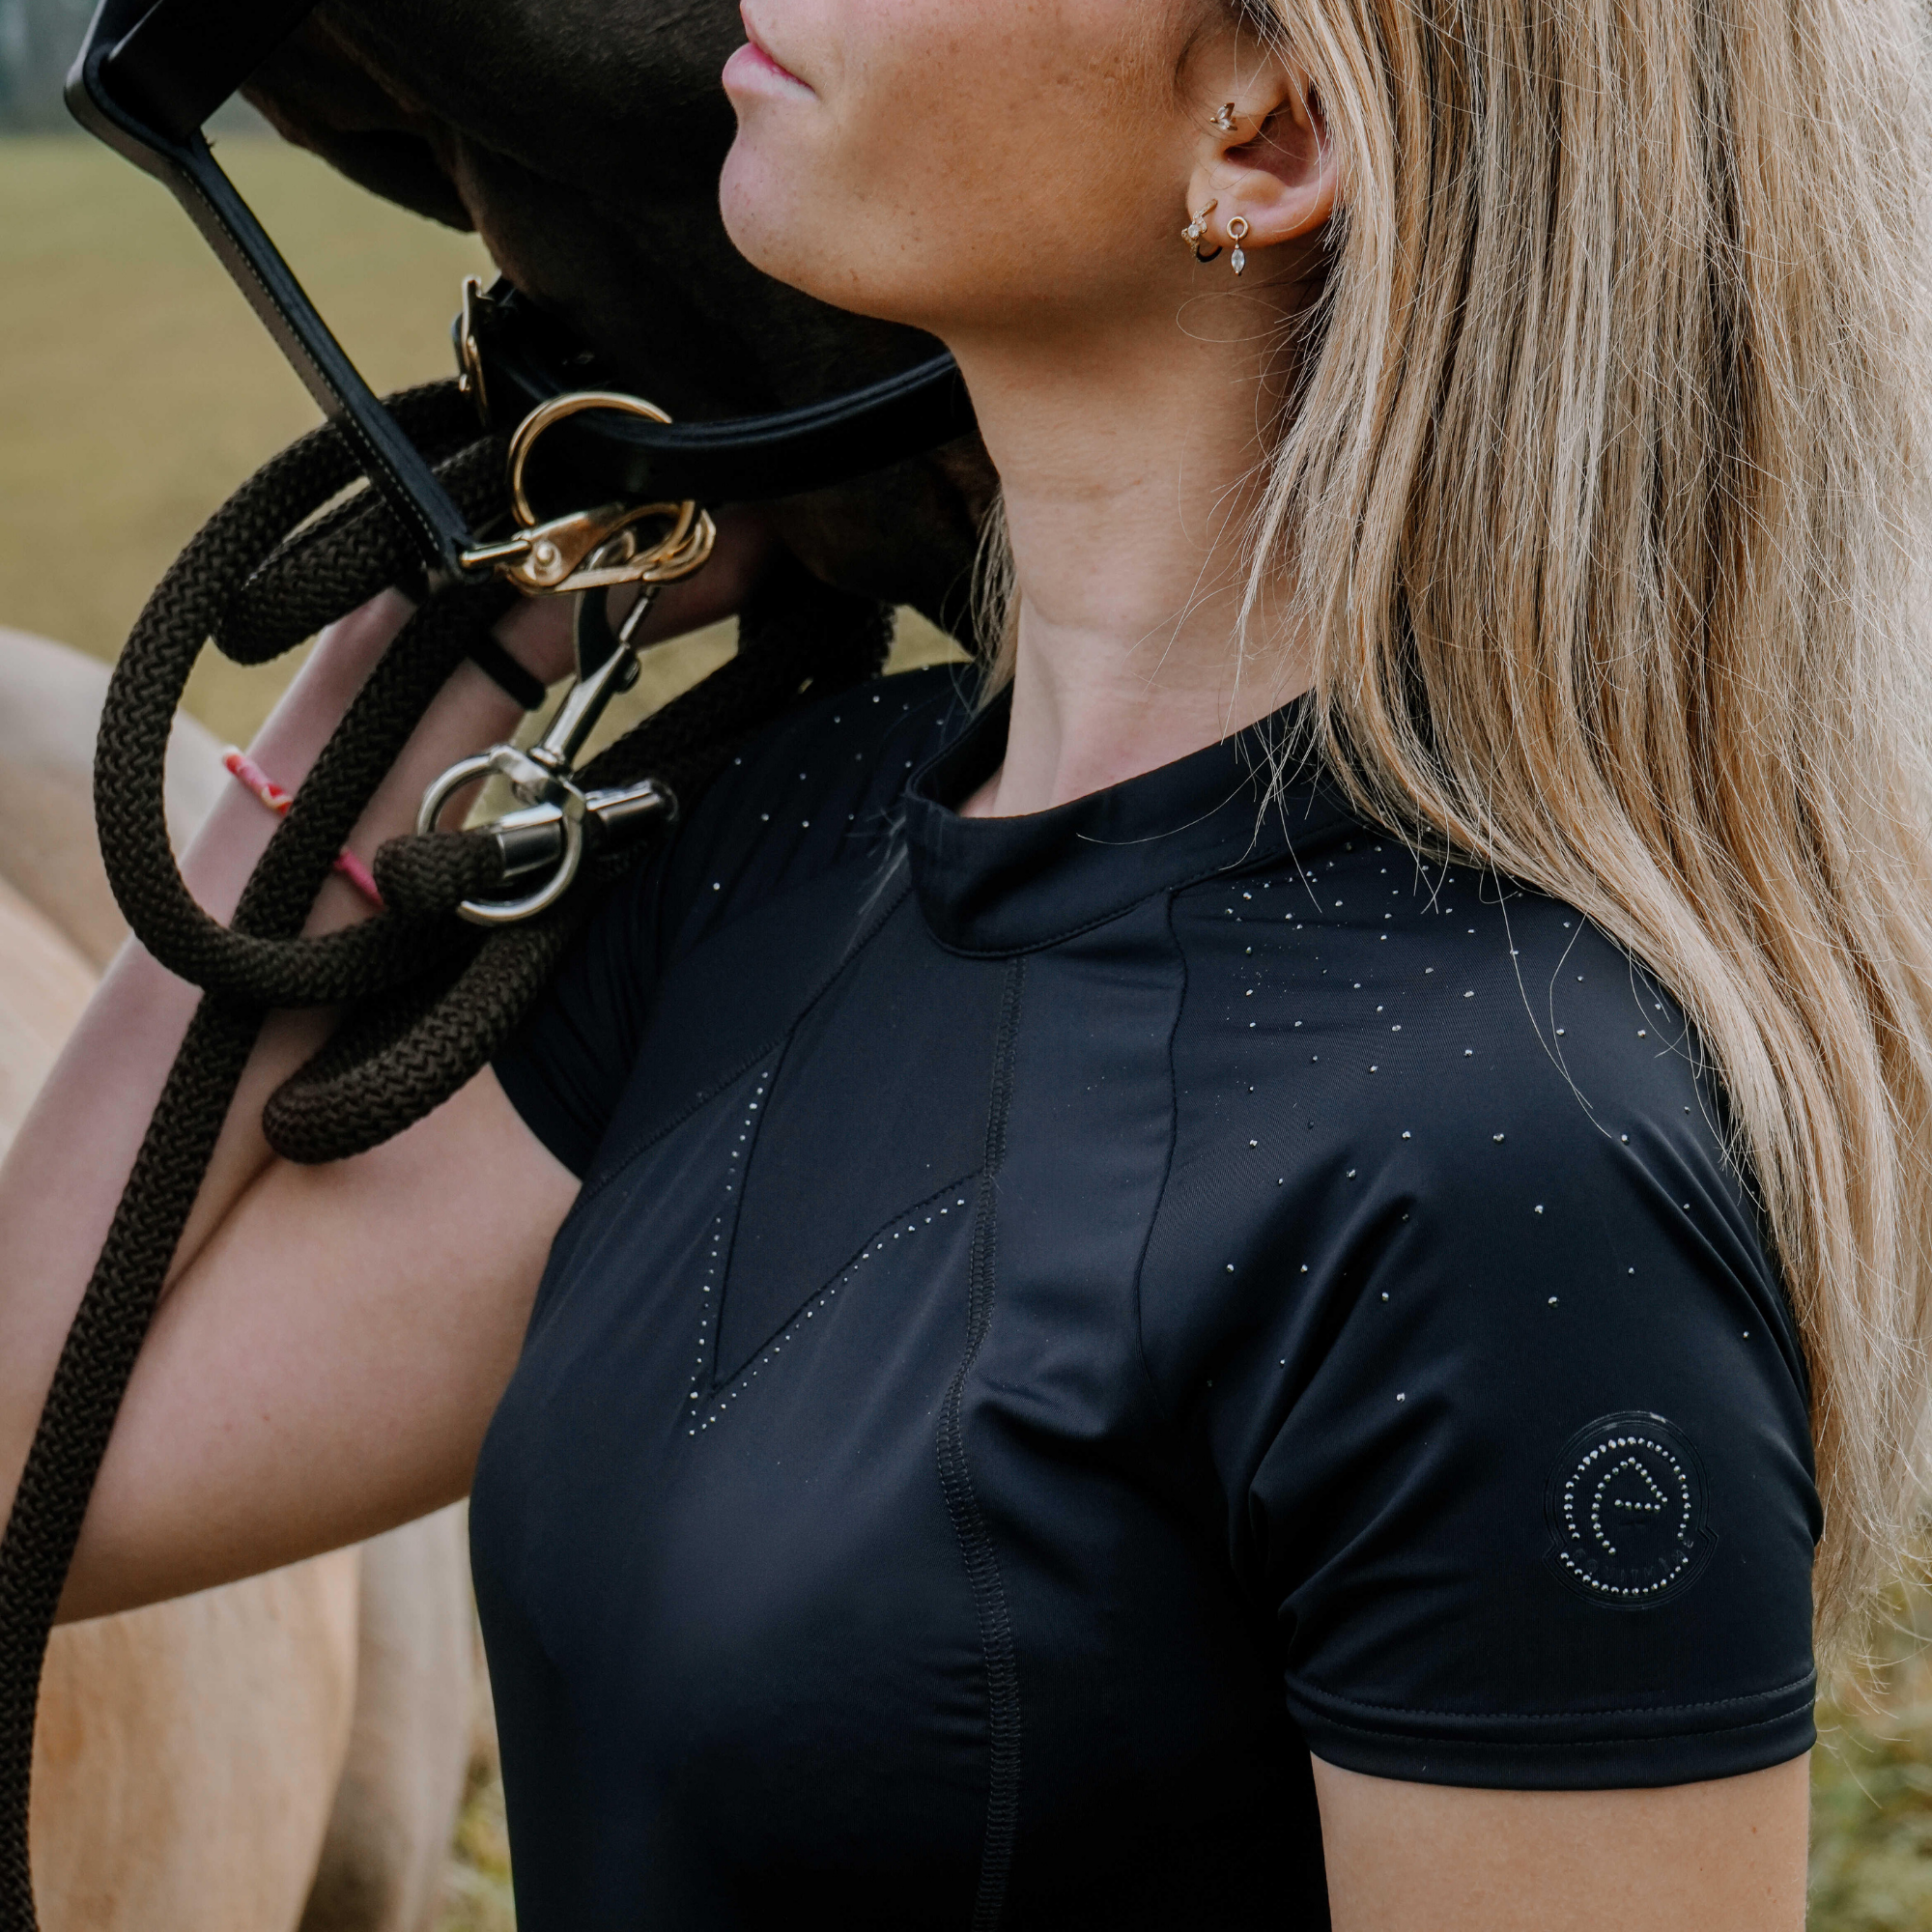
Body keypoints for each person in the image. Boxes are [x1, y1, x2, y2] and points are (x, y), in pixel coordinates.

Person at [6, 0, 1931, 1922]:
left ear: (1261, 140)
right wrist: (472, 627)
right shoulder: (787, 844)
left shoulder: (1514, 1164)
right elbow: (37, 1464)